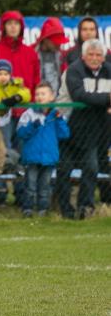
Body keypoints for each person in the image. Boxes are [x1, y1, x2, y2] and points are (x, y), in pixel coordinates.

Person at [54, 39, 111, 219]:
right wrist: (108, 99)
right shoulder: (73, 70)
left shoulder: (109, 71)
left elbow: (90, 98)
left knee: (91, 168)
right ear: (83, 56)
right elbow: (80, 95)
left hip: (92, 130)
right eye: (90, 54)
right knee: (64, 169)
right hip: (67, 127)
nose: (94, 58)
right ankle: (65, 210)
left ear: (104, 57)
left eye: (98, 55)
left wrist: (101, 101)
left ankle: (85, 208)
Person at [0, 10, 40, 205]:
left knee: (23, 154)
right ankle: (0, 194)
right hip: (2, 112)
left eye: (16, 24)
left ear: (21, 27)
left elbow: (35, 81)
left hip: (24, 112)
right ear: (3, 27)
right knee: (1, 152)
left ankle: (22, 195)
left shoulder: (30, 52)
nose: (13, 27)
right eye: (9, 23)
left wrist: (33, 106)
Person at [17, 83, 70, 217]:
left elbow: (64, 134)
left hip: (49, 157)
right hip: (32, 156)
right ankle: (27, 209)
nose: (40, 97)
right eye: (37, 94)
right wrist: (32, 126)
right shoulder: (29, 113)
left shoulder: (56, 114)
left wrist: (59, 120)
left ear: (51, 97)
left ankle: (43, 210)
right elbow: (21, 133)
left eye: (43, 94)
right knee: (30, 185)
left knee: (45, 186)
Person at [34, 17, 69, 95]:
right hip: (36, 99)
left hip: (57, 100)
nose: (59, 45)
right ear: (45, 39)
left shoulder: (61, 56)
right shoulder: (31, 54)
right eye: (55, 42)